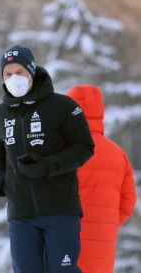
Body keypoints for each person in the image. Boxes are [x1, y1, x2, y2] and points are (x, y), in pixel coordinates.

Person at [0, 45, 95, 273]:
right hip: (21, 215)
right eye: (8, 74)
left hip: (60, 211)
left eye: (20, 72)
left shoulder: (63, 106)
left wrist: (48, 166)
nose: (14, 78)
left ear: (32, 72)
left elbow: (84, 147)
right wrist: (1, 182)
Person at [66, 85, 137, 273]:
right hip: (103, 248)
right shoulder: (118, 154)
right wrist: (106, 223)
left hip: (63, 242)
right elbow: (129, 202)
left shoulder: (60, 152)